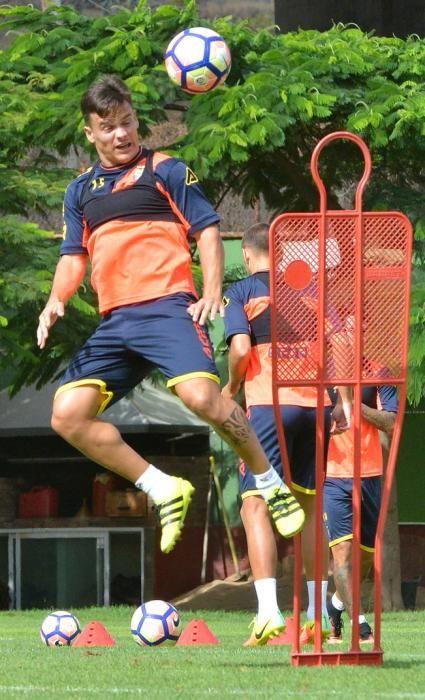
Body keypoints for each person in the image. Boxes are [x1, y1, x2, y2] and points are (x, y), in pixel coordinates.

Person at [36, 75, 305, 556]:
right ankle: (163, 487)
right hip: (116, 321)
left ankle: (270, 482)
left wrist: (211, 291)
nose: (121, 134)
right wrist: (57, 298)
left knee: (202, 397)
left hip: (167, 308)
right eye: (108, 126)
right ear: (90, 132)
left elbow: (207, 230)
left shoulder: (168, 171)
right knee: (66, 415)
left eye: (127, 122)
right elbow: (73, 256)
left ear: (136, 120)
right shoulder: (80, 191)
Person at [222, 222, 351, 646]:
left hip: (268, 408)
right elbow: (342, 344)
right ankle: (313, 613)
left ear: (247, 253)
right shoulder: (313, 291)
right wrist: (341, 401)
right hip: (316, 407)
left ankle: (267, 612)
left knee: (255, 506)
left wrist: (231, 387)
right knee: (310, 510)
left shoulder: (242, 292)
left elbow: (241, 349)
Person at [324, 382, 398, 643]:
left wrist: (353, 405)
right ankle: (360, 623)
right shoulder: (322, 370)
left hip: (370, 475)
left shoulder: (379, 371)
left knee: (365, 557)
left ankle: (335, 603)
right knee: (342, 554)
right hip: (331, 476)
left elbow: (390, 421)